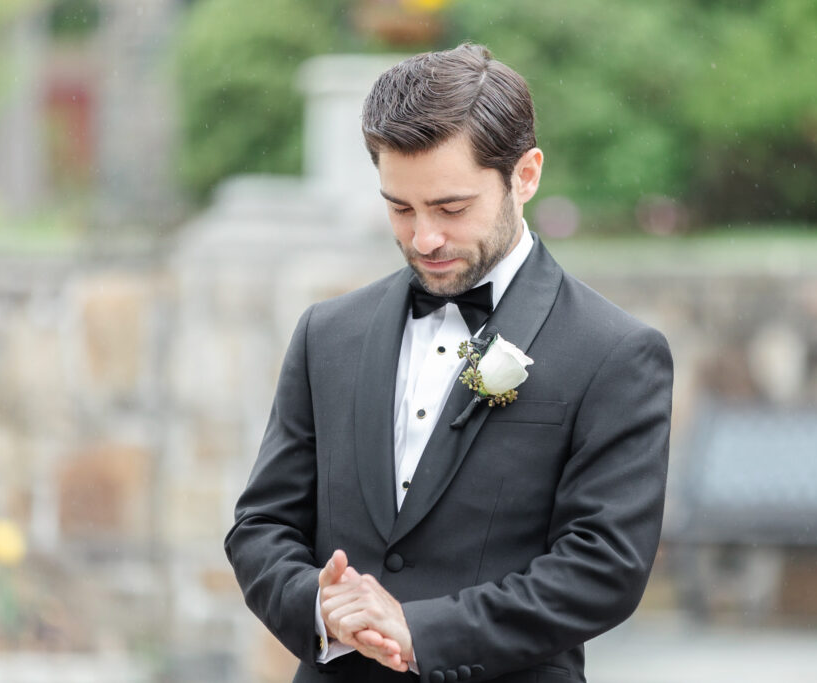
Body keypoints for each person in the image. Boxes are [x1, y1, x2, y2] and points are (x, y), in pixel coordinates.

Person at [225, 43, 673, 683]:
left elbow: (604, 568)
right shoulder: (326, 334)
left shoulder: (616, 352)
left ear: (526, 175)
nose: (423, 238)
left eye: (450, 208)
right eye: (399, 208)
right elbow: (262, 527)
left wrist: (422, 628)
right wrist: (320, 606)